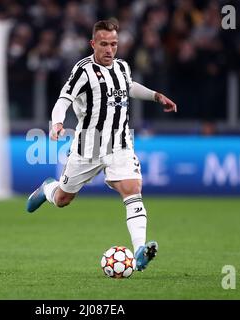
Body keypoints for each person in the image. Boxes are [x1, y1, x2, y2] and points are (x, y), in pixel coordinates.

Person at [26, 19, 177, 272]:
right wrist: (56, 123)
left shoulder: (122, 67)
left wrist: (155, 95)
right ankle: (47, 189)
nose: (110, 50)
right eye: (104, 44)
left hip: (120, 144)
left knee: (132, 188)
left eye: (114, 44)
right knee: (63, 199)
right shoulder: (83, 71)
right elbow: (64, 99)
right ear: (93, 43)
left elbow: (129, 87)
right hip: (89, 147)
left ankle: (140, 249)